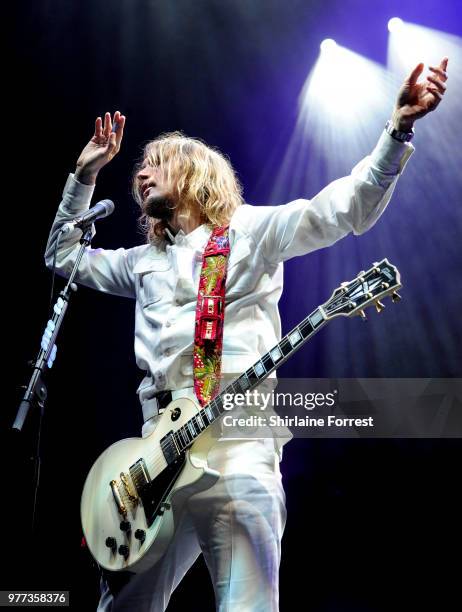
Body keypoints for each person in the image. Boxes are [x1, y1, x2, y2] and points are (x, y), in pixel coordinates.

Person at [45, 58, 448, 611]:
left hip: (238, 444)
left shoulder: (250, 233)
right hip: (152, 458)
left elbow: (345, 208)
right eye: (139, 168)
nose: (140, 175)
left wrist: (398, 128)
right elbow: (62, 257)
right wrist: (84, 176)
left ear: (192, 175)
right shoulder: (141, 262)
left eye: (155, 164)